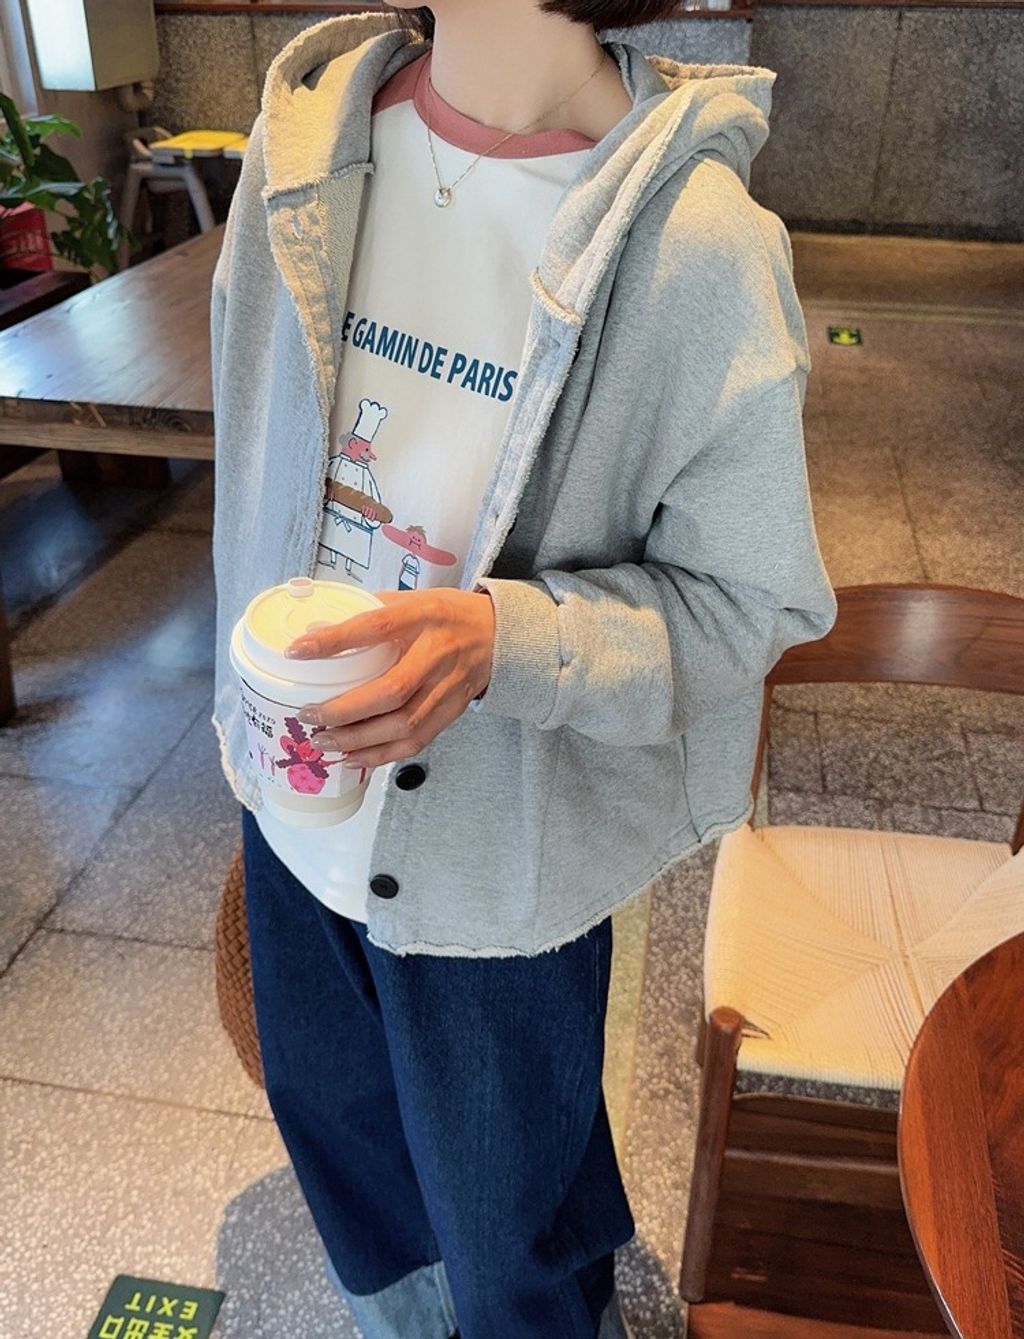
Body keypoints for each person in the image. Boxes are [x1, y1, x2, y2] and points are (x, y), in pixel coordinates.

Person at [208, 2, 838, 1336]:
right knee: (345, 1151)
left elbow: (749, 603)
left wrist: (511, 640)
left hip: (500, 853)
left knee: (512, 1228)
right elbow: (258, 456)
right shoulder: (302, 148)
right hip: (289, 786)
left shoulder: (697, 249)